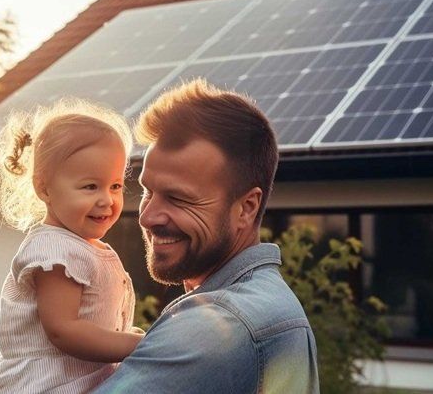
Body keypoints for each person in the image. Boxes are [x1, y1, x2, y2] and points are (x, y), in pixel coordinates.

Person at [94, 79, 319, 393]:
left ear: (246, 207)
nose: (147, 216)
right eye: (148, 192)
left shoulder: (218, 326)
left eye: (179, 198)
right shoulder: (269, 301)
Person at [0, 99, 143, 393]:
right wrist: (138, 346)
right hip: (47, 385)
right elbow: (64, 330)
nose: (107, 200)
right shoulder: (54, 250)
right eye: (90, 186)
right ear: (44, 188)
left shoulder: (85, 247)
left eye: (115, 186)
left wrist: (124, 336)